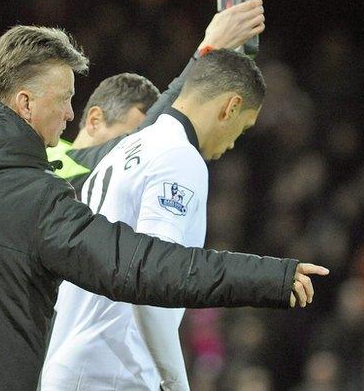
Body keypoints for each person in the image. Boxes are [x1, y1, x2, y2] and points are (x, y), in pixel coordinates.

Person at [0, 24, 328, 389]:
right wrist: (271, 276)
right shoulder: (38, 199)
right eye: (66, 99)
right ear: (25, 103)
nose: (70, 115)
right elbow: (145, 265)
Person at [42, 48, 274, 390]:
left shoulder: (126, 149)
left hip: (73, 359)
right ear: (231, 107)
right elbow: (150, 279)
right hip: (113, 371)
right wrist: (175, 382)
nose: (234, 142)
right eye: (243, 128)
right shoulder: (179, 158)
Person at [48, 0, 267, 191]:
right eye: (128, 138)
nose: (138, 154)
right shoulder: (48, 162)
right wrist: (207, 50)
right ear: (95, 121)